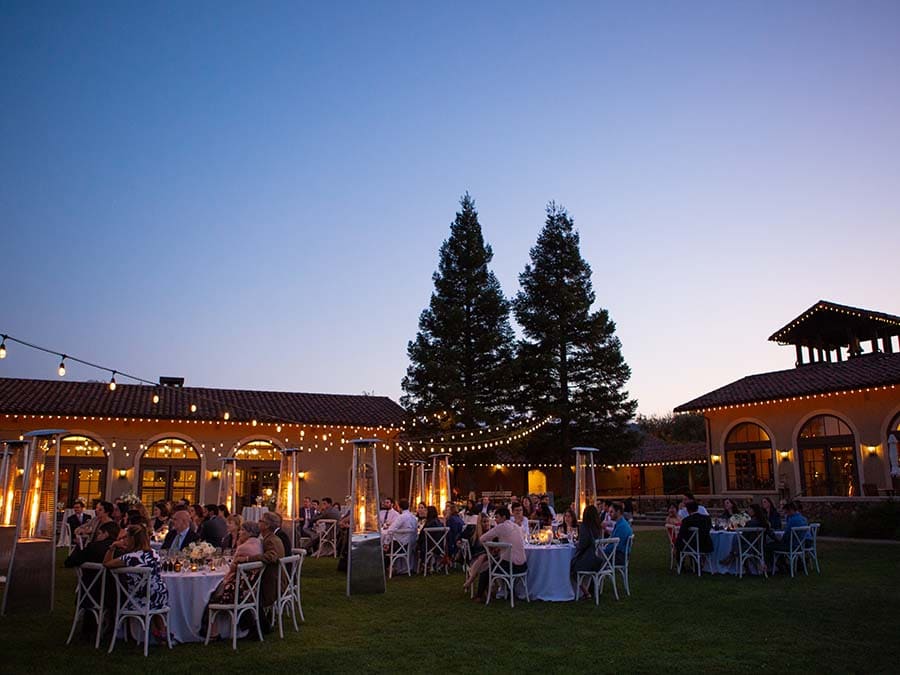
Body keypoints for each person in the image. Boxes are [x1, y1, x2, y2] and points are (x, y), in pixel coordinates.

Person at [103, 524, 169, 639]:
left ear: (132, 539)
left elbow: (106, 564)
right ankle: (161, 632)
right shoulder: (154, 554)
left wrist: (112, 547)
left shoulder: (129, 558)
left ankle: (130, 633)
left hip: (137, 599)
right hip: (160, 595)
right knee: (151, 595)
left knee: (122, 594)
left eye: (126, 538)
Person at [475, 506, 526, 602]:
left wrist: (494, 544)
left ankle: (479, 596)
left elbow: (482, 539)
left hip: (511, 566)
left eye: (497, 517)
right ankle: (505, 591)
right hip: (523, 566)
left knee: (486, 569)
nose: (495, 520)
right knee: (496, 562)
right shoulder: (516, 526)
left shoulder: (501, 527)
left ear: (503, 517)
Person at [246, 510, 286, 625]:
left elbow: (272, 556)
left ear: (267, 525)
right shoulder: (272, 538)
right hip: (277, 581)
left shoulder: (270, 540)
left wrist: (248, 559)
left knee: (242, 591)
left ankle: (251, 625)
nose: (258, 523)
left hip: (271, 585)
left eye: (260, 521)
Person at [675, 501, 714, 568]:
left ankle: (681, 566)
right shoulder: (707, 518)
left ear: (687, 510)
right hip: (706, 544)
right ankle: (697, 565)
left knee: (680, 545)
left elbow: (681, 534)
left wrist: (676, 545)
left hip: (692, 546)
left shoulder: (687, 520)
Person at [571, 505, 605, 578]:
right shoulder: (598, 528)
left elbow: (582, 545)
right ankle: (586, 587)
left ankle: (580, 588)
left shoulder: (585, 527)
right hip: (599, 560)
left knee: (569, 567)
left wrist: (576, 544)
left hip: (587, 562)